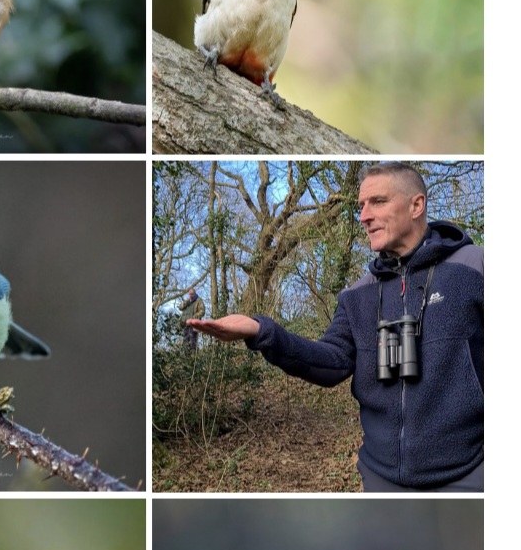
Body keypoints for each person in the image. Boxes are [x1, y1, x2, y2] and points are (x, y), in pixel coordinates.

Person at [187, 164, 483, 492]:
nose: (364, 216)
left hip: (469, 476)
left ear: (416, 205)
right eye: (361, 206)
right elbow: (329, 362)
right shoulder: (357, 294)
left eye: (378, 202)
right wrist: (261, 331)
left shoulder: (475, 268)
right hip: (380, 478)